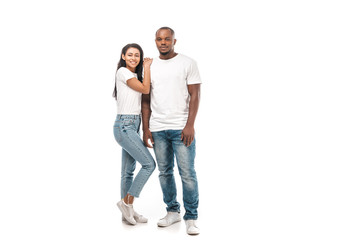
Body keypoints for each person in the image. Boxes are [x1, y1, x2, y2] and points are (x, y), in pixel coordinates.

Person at [141, 27, 202, 235]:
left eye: (167, 39)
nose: (163, 42)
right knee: (165, 172)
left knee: (187, 174)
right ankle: (173, 211)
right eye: (159, 39)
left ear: (174, 41)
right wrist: (146, 129)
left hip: (181, 129)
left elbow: (195, 95)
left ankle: (191, 217)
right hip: (158, 129)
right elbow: (146, 99)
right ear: (155, 41)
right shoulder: (149, 66)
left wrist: (190, 124)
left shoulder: (188, 63)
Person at [113, 43, 155, 225]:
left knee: (127, 172)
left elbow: (145, 90)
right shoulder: (123, 72)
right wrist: (147, 67)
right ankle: (127, 202)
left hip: (133, 125)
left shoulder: (135, 76)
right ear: (123, 56)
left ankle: (127, 213)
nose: (133, 58)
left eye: (137, 55)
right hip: (125, 125)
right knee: (149, 164)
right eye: (130, 54)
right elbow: (146, 89)